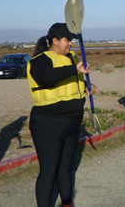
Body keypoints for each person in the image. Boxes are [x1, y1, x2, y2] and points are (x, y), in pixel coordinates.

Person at [27, 22, 97, 207]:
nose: (71, 44)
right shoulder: (40, 60)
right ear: (55, 40)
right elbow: (45, 77)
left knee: (66, 169)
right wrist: (75, 69)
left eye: (72, 40)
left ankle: (67, 203)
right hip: (48, 123)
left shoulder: (72, 58)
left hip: (72, 123)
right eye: (67, 40)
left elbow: (72, 84)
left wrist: (87, 87)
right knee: (49, 170)